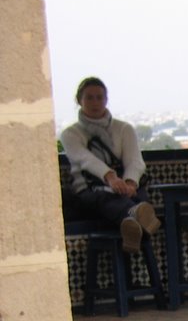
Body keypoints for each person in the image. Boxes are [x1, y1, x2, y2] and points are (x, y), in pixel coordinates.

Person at [60, 77, 161, 254]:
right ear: (79, 101)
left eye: (99, 97)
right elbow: (85, 159)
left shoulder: (124, 129)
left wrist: (130, 182)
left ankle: (132, 222)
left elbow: (134, 160)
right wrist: (110, 177)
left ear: (106, 100)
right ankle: (136, 219)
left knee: (133, 197)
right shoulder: (71, 134)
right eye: (89, 98)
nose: (95, 102)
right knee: (108, 200)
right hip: (91, 191)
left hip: (125, 191)